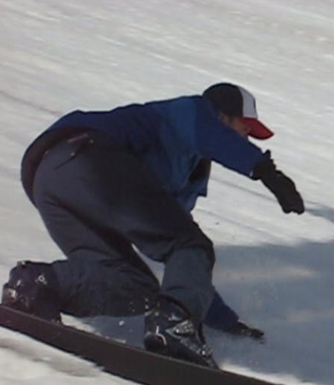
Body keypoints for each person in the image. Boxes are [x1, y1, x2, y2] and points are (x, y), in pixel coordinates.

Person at [1, 82, 305, 368]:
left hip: (49, 182)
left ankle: (36, 287)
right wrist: (266, 171)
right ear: (222, 115)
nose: (246, 138)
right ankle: (173, 327)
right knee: (191, 244)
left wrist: (223, 321)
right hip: (88, 155)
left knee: (133, 285)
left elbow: (183, 259)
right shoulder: (189, 112)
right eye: (245, 128)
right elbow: (187, 242)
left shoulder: (188, 171)